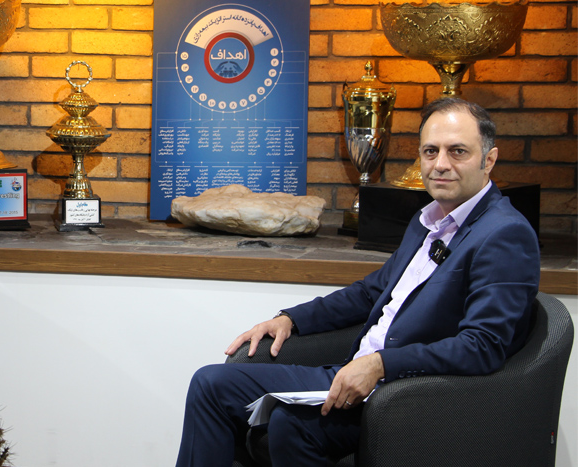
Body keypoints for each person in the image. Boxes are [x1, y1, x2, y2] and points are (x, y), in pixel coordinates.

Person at [175, 97, 540, 467]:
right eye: (431, 151)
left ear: (488, 160)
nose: (441, 164)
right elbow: (370, 292)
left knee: (290, 423)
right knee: (210, 385)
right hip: (354, 372)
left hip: (407, 394)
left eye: (457, 151)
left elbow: (482, 346)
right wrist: (290, 319)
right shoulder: (428, 220)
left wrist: (382, 364)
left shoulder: (504, 234)